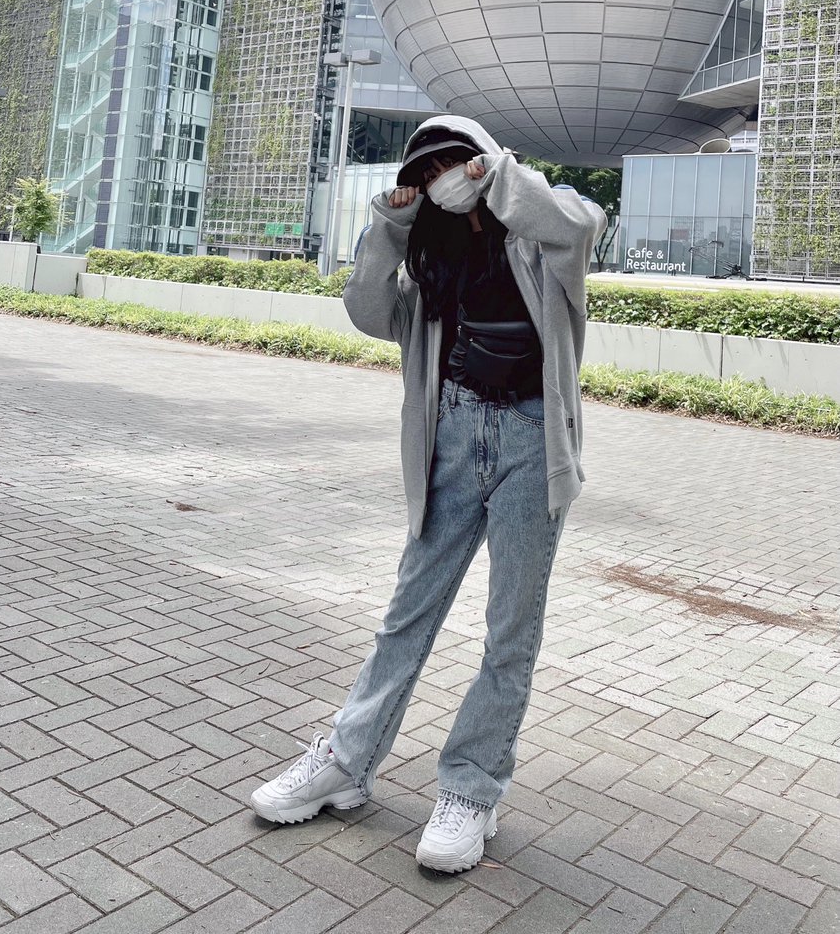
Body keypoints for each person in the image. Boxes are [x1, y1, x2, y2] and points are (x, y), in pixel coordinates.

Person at [250, 115, 607, 873]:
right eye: (428, 171)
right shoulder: (430, 260)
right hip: (452, 434)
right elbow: (367, 310)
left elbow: (580, 224)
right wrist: (392, 221)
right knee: (405, 617)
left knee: (509, 633)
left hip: (531, 442)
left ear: (483, 163)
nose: (444, 179)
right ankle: (346, 762)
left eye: (455, 163)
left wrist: (498, 177)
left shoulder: (538, 235)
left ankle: (472, 789)